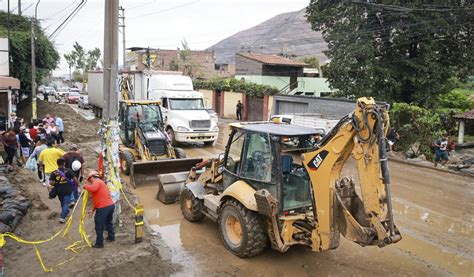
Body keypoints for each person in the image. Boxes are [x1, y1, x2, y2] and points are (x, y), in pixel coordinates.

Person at [83, 170, 115, 248]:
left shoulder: (97, 182)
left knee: (99, 225)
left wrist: (85, 186)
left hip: (103, 207)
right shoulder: (101, 182)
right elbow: (99, 199)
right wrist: (93, 210)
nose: (90, 182)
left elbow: (93, 189)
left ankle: (99, 243)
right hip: (110, 205)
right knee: (108, 222)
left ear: (92, 177)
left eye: (89, 180)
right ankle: (111, 237)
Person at [48, 158, 77, 223]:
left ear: (57, 164)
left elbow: (51, 182)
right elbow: (75, 179)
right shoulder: (68, 170)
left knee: (62, 202)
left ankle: (64, 213)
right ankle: (62, 217)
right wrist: (76, 186)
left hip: (59, 190)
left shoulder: (54, 172)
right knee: (66, 203)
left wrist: (56, 183)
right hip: (67, 189)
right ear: (64, 163)